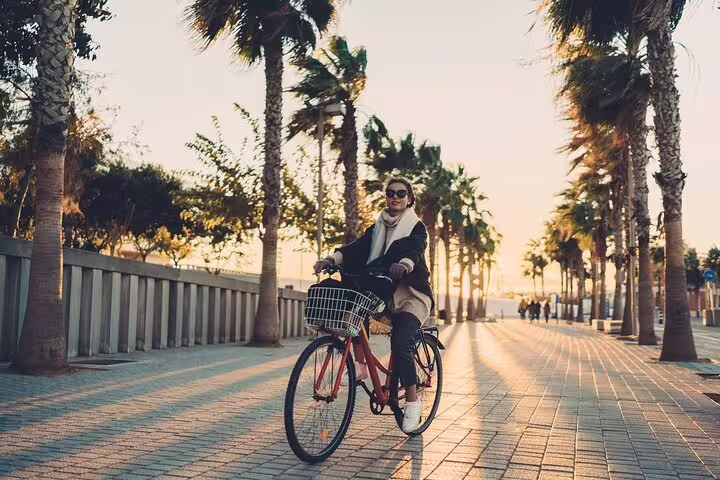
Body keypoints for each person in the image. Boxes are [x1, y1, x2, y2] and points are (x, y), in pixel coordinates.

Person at [313, 177, 433, 434]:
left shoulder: (417, 228)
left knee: (400, 341)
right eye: (391, 193)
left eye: (401, 193)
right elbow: (357, 248)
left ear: (409, 199)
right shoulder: (377, 227)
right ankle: (361, 367)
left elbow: (415, 250)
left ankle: (412, 402)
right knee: (353, 312)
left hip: (412, 295)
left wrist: (405, 264)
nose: (395, 197)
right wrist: (331, 259)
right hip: (384, 290)